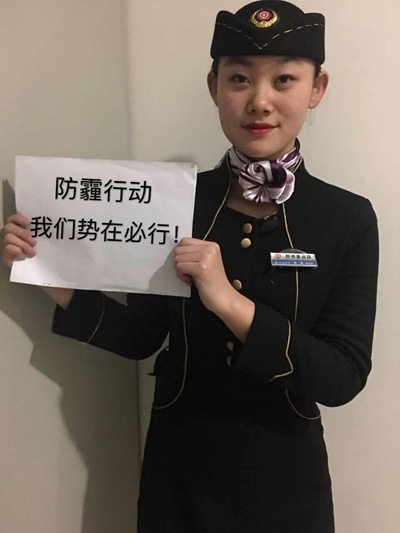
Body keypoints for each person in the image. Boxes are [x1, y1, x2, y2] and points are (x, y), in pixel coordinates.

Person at [3, 1, 379, 531]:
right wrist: (47, 270)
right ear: (214, 87)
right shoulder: (176, 199)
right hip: (179, 473)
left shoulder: (346, 217)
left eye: (284, 79)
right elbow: (139, 336)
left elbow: (342, 377)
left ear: (316, 89)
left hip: (287, 484)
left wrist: (228, 301)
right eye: (239, 78)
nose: (259, 100)